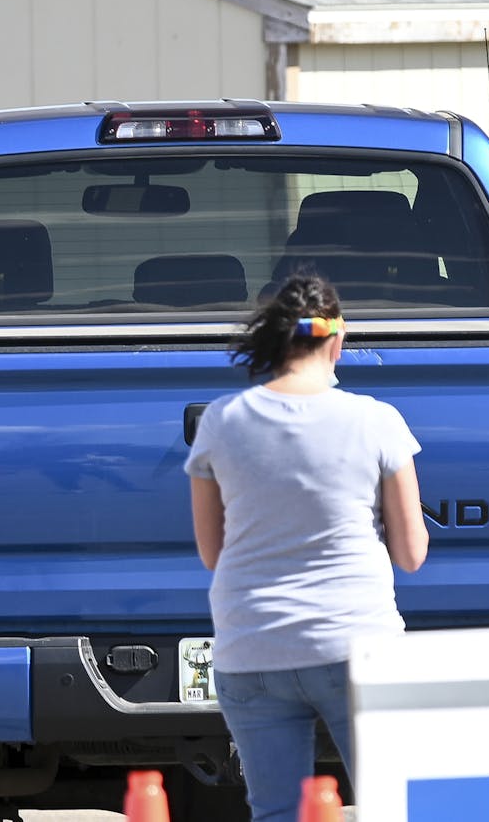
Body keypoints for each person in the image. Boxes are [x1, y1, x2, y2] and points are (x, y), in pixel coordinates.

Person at [184, 273, 428, 822]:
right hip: (356, 648)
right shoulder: (375, 421)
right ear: (336, 340)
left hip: (251, 650)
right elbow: (412, 554)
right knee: (395, 808)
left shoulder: (222, 421)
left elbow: (212, 555)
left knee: (278, 813)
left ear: (274, 341)